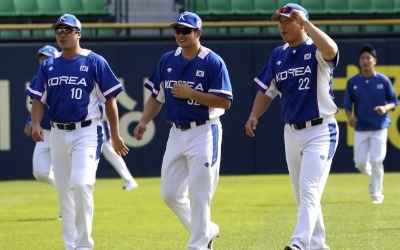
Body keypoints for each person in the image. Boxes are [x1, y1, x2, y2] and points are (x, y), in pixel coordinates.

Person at [25, 13, 128, 250]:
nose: (61, 35)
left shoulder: (94, 61)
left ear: (78, 34)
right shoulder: (49, 65)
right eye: (58, 31)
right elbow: (39, 99)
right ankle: (70, 245)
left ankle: (84, 245)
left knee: (81, 184)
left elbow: (110, 99)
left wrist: (116, 134)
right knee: (64, 193)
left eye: (67, 30)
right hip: (58, 133)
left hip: (87, 131)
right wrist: (37, 123)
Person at [133, 11, 233, 250]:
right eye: (177, 30)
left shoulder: (212, 61)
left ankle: (198, 245)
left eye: (186, 30)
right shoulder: (168, 60)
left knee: (200, 194)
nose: (180, 34)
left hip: (204, 131)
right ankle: (207, 230)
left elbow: (226, 102)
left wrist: (192, 94)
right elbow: (156, 97)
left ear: (198, 33)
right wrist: (144, 121)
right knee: (170, 193)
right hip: (176, 132)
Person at [244, 3, 339, 250]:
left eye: (288, 20)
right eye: (280, 21)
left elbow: (331, 50)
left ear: (301, 22)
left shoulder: (315, 48)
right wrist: (255, 114)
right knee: (303, 195)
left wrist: (307, 24)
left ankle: (298, 244)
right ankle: (318, 246)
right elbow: (267, 90)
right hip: (292, 132)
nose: (281, 25)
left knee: (309, 189)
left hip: (320, 129)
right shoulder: (279, 54)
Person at [343, 44, 398, 205]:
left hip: (379, 127)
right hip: (361, 128)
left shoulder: (383, 80)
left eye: (369, 58)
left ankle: (377, 194)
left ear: (375, 61)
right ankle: (373, 181)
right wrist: (350, 117)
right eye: (363, 58)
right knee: (360, 163)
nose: (366, 61)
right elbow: (347, 105)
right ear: (359, 61)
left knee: (376, 160)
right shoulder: (353, 82)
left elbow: (394, 101)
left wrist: (385, 107)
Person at [24, 45, 59, 186]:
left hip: (63, 131)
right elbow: (36, 104)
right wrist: (31, 121)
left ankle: (71, 198)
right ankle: (68, 188)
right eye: (41, 58)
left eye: (47, 58)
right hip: (44, 132)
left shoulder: (65, 77)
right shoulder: (36, 80)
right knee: (40, 173)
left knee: (70, 171)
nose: (43, 61)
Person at [99, 102, 138, 191]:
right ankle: (129, 180)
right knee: (109, 152)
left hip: (100, 122)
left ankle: (129, 180)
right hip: (93, 122)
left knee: (110, 151)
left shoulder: (100, 89)